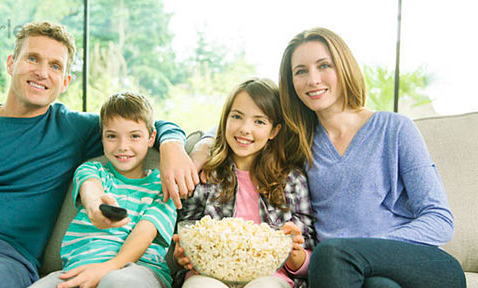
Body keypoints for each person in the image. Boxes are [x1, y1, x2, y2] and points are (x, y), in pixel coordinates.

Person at [0, 21, 198, 287]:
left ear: (65, 81)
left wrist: (171, 144)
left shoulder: (76, 129)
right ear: (10, 63)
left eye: (55, 65)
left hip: (2, 258)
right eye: (32, 58)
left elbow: (142, 125)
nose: (42, 72)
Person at [276, 27, 466, 287]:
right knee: (379, 286)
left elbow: (440, 220)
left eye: (324, 65)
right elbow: (243, 129)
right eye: (301, 71)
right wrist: (203, 147)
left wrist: (364, 248)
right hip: (347, 274)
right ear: (291, 83)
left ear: (343, 67)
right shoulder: (298, 143)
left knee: (331, 252)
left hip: (423, 266)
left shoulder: (396, 128)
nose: (313, 79)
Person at [169, 78, 315, 288]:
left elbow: (307, 252)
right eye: (237, 116)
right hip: (209, 274)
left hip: (271, 276)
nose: (246, 129)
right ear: (225, 120)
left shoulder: (292, 181)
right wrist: (182, 256)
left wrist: (296, 256)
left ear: (274, 131)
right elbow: (186, 233)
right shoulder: (206, 175)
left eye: (259, 121)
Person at [31, 92, 177, 288]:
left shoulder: (163, 185)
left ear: (151, 138)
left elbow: (146, 233)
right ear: (102, 137)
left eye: (134, 136)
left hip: (138, 270)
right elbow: (91, 190)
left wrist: (110, 267)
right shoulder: (92, 169)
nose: (123, 146)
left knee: (115, 281)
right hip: (78, 269)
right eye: (112, 136)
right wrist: (96, 207)